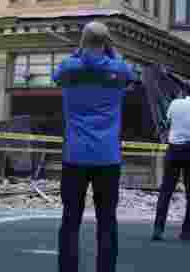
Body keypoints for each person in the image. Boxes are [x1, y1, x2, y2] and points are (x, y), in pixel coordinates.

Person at [55, 21, 135, 272]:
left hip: (75, 155)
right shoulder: (119, 70)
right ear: (107, 42)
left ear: (83, 41)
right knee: (107, 221)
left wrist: (81, 52)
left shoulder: (69, 68)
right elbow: (129, 75)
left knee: (70, 220)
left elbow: (59, 75)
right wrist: (110, 53)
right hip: (107, 157)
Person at [152, 79, 190, 242]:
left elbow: (168, 122)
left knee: (166, 190)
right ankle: (187, 231)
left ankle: (158, 229)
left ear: (184, 90)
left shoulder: (175, 104)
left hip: (175, 148)